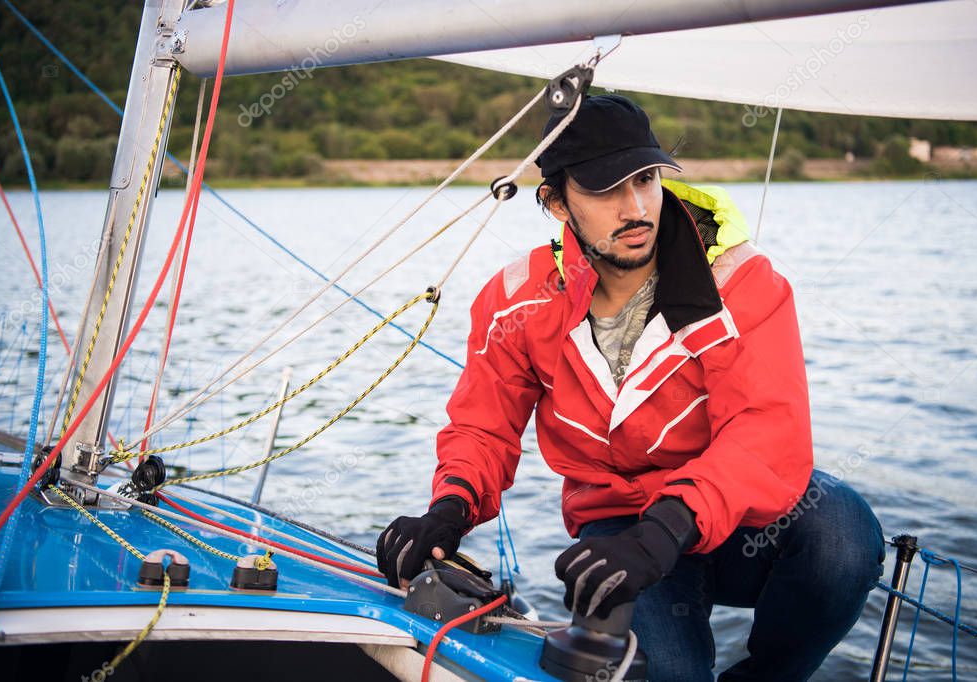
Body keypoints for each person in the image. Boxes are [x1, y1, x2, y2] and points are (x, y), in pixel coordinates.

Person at [376, 94, 885, 681]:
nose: (636, 206)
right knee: (667, 674)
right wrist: (448, 511)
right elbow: (483, 425)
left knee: (844, 534)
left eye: (646, 179)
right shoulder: (516, 301)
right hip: (620, 529)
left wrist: (669, 527)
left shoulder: (742, 284)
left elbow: (765, 432)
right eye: (605, 188)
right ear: (556, 202)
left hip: (732, 521)